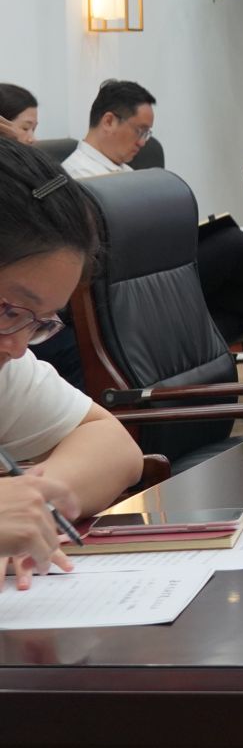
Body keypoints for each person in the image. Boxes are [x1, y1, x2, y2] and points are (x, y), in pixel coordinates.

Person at [0, 140, 145, 586]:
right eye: (8, 311)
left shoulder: (7, 366)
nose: (18, 348)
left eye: (39, 322)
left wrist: (33, 504)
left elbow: (113, 445)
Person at [61, 79, 243, 353]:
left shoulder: (125, 170)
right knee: (239, 245)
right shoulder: (78, 176)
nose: (142, 142)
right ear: (109, 121)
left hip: (161, 265)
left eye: (148, 133)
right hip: (133, 282)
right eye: (140, 130)